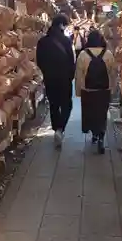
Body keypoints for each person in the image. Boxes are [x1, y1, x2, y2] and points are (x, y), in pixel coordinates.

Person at [36, 14, 76, 148]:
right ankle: (60, 128)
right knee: (67, 105)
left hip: (50, 78)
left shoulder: (42, 42)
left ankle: (56, 128)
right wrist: (71, 75)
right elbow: (71, 60)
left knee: (53, 104)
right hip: (64, 78)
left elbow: (39, 61)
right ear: (62, 25)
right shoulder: (66, 41)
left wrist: (47, 73)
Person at [75, 29, 116, 154]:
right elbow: (113, 73)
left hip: (88, 90)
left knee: (90, 113)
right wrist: (112, 89)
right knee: (102, 114)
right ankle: (101, 137)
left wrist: (78, 91)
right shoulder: (108, 54)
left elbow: (78, 75)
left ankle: (94, 134)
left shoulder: (83, 54)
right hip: (104, 91)